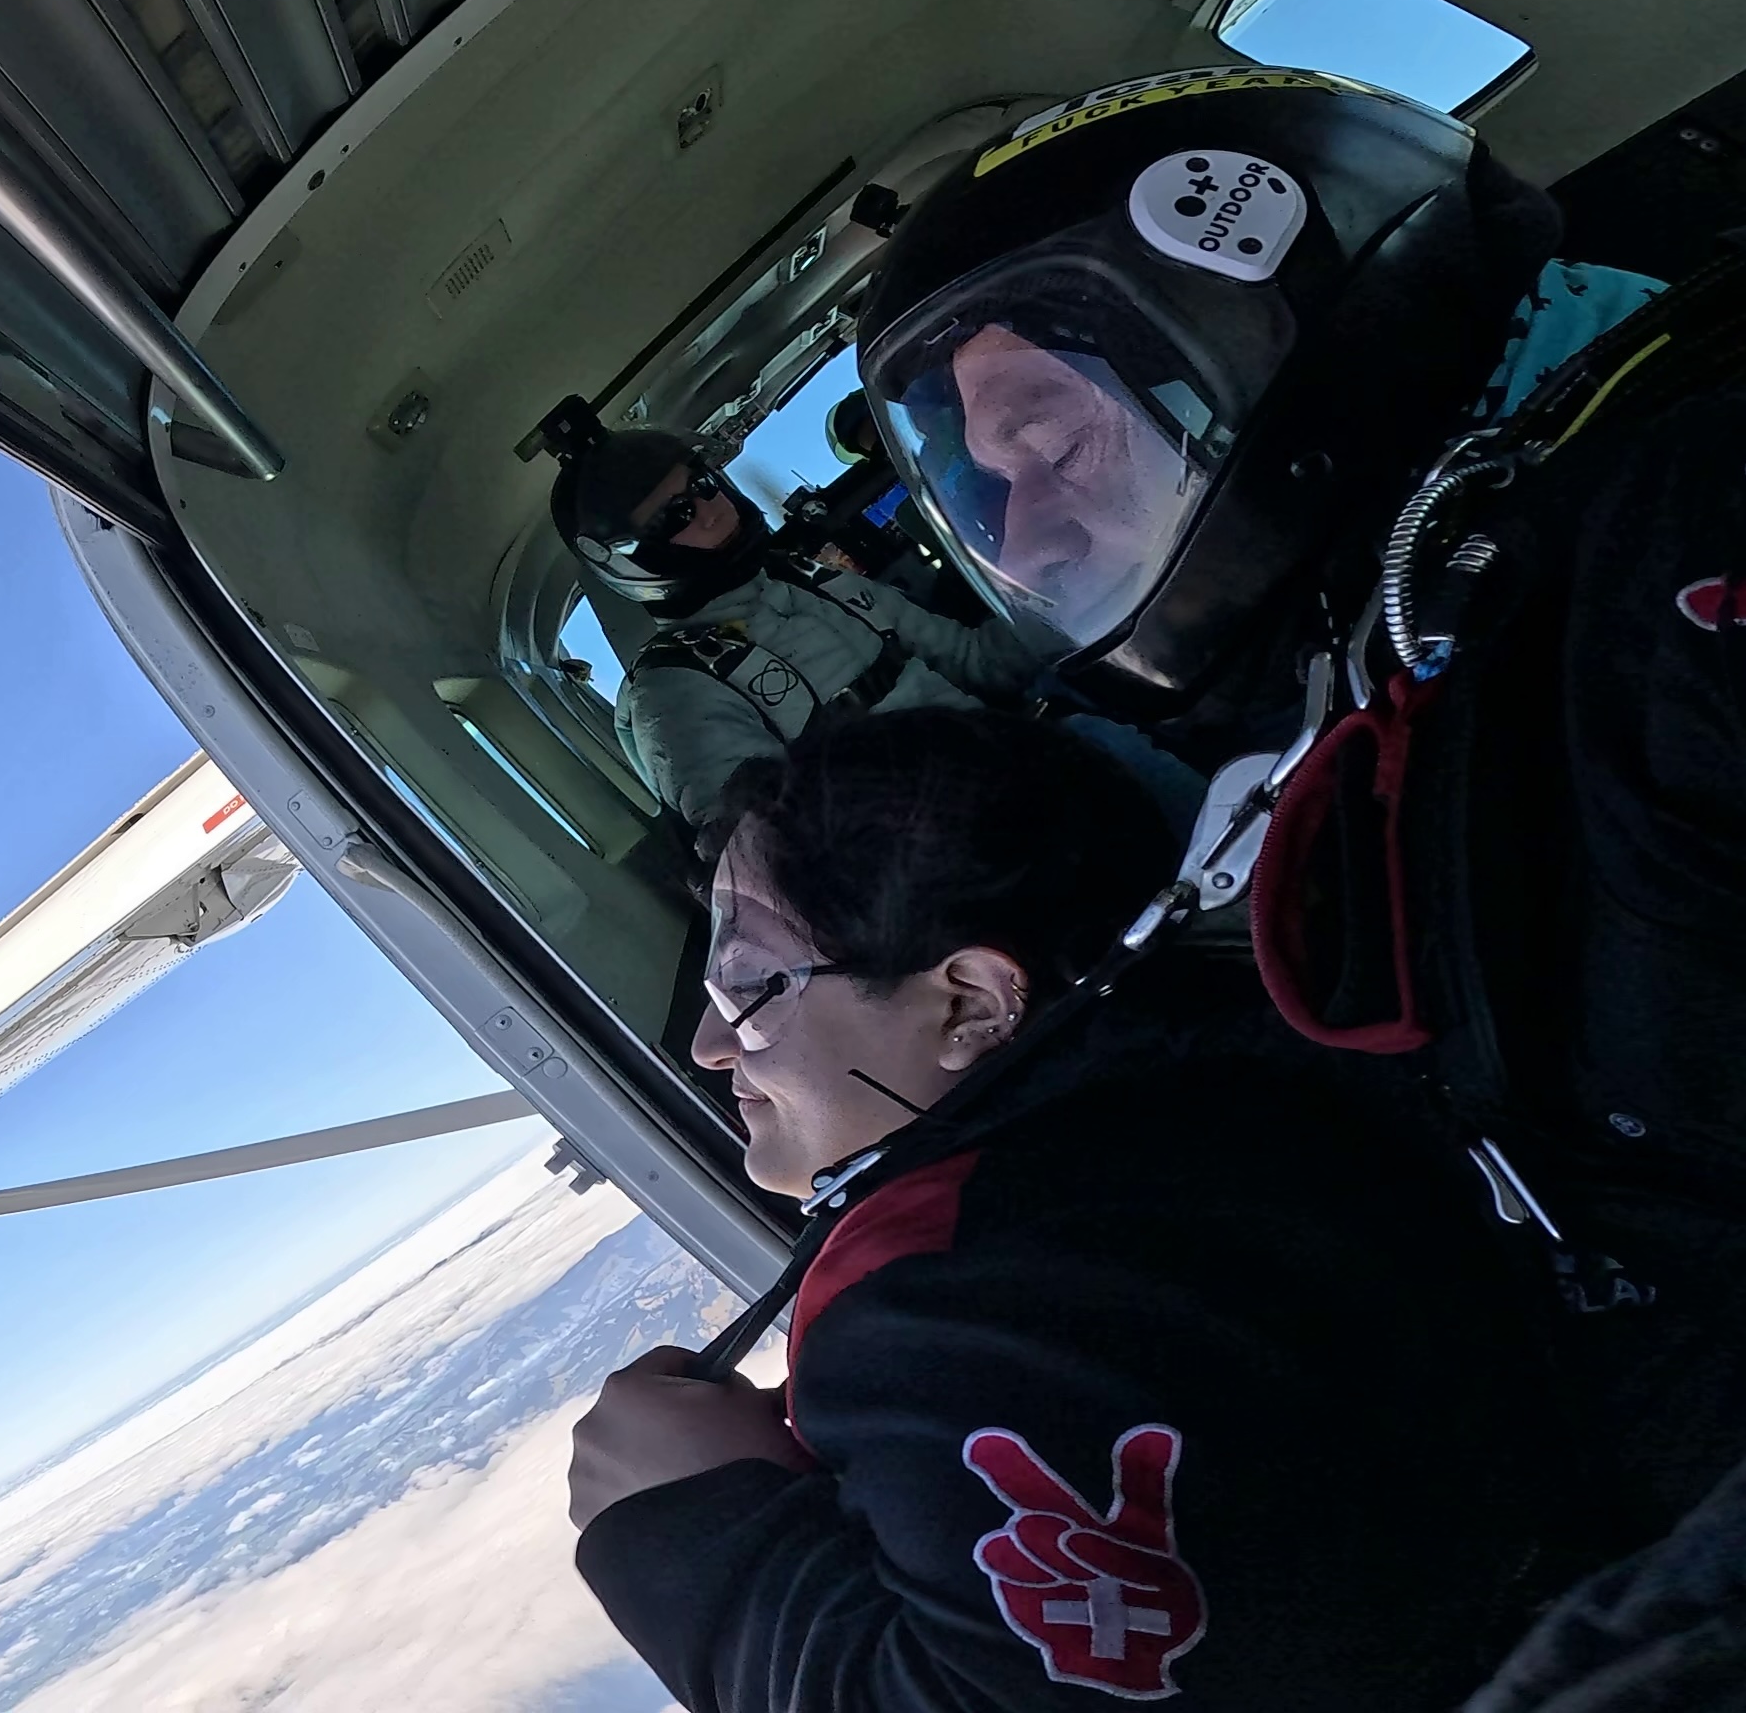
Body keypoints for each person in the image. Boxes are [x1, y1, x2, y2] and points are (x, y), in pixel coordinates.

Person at [847, 67, 1746, 1679]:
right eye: (978, 492)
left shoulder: (1732, 507)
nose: (1025, 530)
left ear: (1267, 327)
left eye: (1050, 436)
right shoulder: (1381, 697)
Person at [567, 707, 1563, 1710]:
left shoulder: (964, 1308)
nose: (708, 1043)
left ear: (971, 1003)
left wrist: (700, 1544)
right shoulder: (1208, 1111)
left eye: (751, 985)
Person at [547, 418, 1038, 828]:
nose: (710, 510)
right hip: (943, 855)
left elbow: (976, 661)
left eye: (701, 486)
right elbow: (775, 856)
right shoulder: (672, 692)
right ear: (634, 560)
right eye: (675, 516)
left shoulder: (815, 580)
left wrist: (1058, 604)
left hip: (1018, 769)